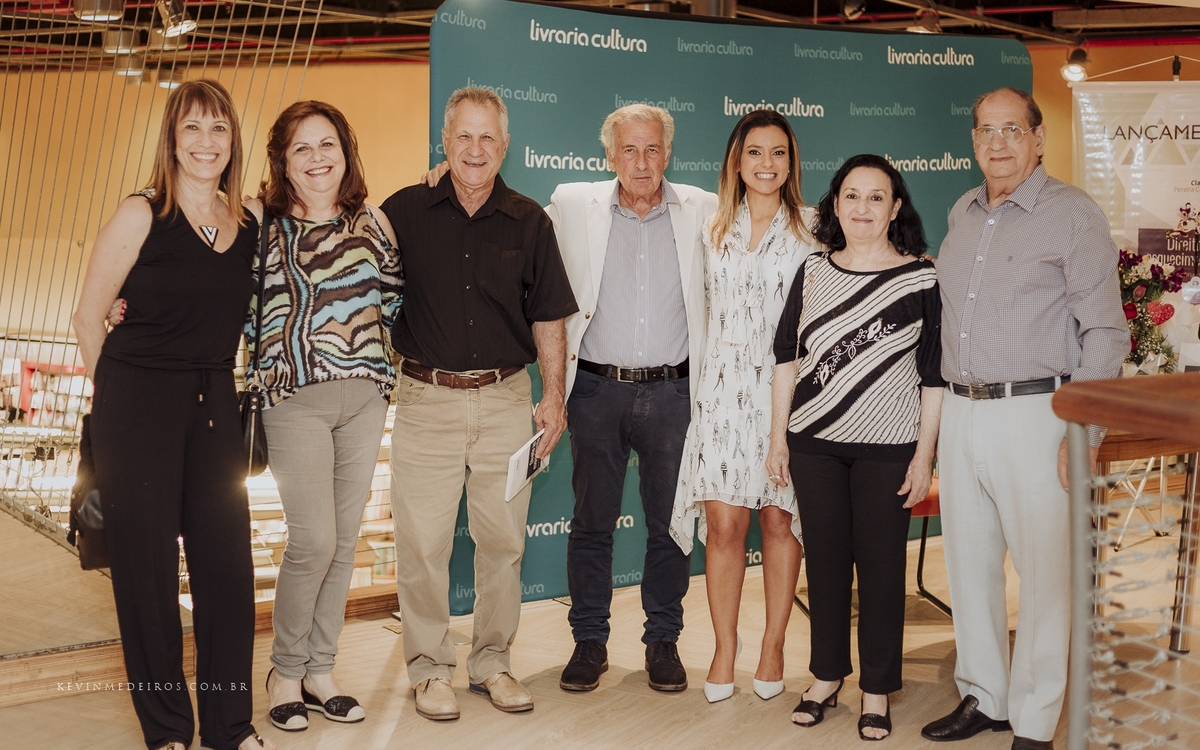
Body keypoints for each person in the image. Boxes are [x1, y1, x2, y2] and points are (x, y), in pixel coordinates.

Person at [920, 87, 1126, 750]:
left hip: (1041, 412)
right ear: (973, 140)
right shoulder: (962, 212)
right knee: (971, 565)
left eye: (1013, 130)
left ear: (1038, 138)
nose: (998, 143)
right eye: (986, 130)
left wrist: (1083, 424)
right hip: (963, 409)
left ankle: (1036, 721)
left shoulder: (1074, 216)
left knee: (1044, 577)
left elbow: (1105, 332)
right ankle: (986, 696)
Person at [71, 80, 274, 750]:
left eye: (219, 128)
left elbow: (330, 199)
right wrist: (120, 405)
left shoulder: (247, 221)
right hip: (136, 403)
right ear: (172, 138)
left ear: (232, 142)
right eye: (193, 128)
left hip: (215, 398)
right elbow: (88, 317)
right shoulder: (142, 213)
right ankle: (167, 730)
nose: (207, 142)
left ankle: (228, 724)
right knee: (146, 572)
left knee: (226, 569)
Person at [380, 87, 577, 722]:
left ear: (506, 146)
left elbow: (549, 317)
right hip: (425, 400)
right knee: (423, 544)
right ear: (445, 141)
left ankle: (492, 662)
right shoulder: (403, 211)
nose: (475, 149)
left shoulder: (529, 221)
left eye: (487, 137)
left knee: (503, 543)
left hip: (504, 401)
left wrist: (554, 396)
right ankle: (430, 668)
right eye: (464, 136)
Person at [767, 154, 943, 741]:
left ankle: (876, 689)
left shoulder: (922, 279)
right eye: (851, 196)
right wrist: (778, 440)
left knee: (882, 571)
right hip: (813, 444)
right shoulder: (812, 272)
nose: (862, 208)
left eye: (876, 197)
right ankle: (825, 677)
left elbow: (934, 377)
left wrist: (924, 457)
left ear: (895, 208)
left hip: (888, 448)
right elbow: (787, 361)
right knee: (825, 566)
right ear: (834, 205)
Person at [547, 104, 717, 694]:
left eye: (652, 150)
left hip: (675, 392)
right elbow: (510, 225)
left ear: (668, 153)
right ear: (609, 155)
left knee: (670, 525)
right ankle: (589, 642)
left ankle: (662, 642)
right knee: (592, 522)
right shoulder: (572, 203)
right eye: (628, 150)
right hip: (595, 390)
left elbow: (781, 224)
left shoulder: (705, 208)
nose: (640, 162)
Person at [246, 101, 402, 732]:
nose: (317, 158)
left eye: (327, 144)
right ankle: (284, 669)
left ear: (346, 151)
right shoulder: (259, 222)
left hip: (364, 400)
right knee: (312, 541)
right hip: (294, 400)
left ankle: (320, 669)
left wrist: (386, 378)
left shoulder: (374, 221)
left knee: (343, 543)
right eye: (301, 148)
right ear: (283, 161)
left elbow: (395, 302)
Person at [667, 110, 817, 704]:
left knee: (780, 520)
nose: (766, 164)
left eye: (778, 153)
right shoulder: (707, 225)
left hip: (787, 394)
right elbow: (595, 199)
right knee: (725, 525)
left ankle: (774, 644)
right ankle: (724, 646)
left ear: (791, 162)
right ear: (736, 160)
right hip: (722, 392)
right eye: (754, 152)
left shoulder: (814, 229)